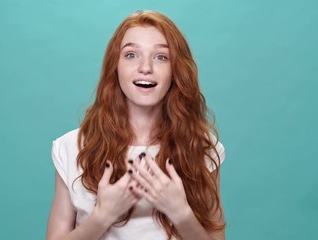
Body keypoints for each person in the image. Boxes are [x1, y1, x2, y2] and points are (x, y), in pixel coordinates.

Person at [46, 10, 226, 240]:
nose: (145, 67)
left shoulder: (202, 147)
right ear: (115, 66)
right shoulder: (72, 147)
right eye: (131, 55)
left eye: (161, 57)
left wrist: (180, 214)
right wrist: (102, 217)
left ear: (176, 70)